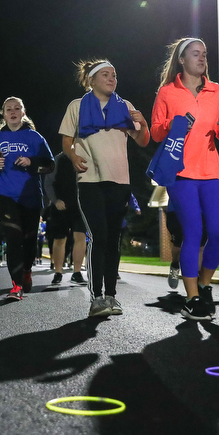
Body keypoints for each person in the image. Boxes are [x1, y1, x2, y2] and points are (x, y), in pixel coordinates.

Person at [150, 38, 219, 320]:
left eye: (205, 54)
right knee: (193, 234)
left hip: (212, 173)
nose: (202, 58)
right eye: (196, 54)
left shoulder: (217, 91)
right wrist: (173, 124)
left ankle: (205, 284)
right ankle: (192, 299)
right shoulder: (167, 92)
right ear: (182, 60)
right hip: (181, 173)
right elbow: (156, 133)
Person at [59, 59, 150, 317]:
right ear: (92, 80)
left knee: (114, 240)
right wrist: (73, 156)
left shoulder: (125, 107)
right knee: (98, 236)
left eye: (115, 75)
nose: (112, 79)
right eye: (106, 75)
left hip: (120, 181)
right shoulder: (77, 106)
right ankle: (96, 298)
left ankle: (111, 296)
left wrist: (142, 122)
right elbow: (67, 141)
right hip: (90, 181)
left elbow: (143, 140)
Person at [0, 96, 54, 300]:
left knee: (29, 240)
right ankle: (16, 286)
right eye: (8, 109)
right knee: (13, 237)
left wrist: (31, 161)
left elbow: (49, 165)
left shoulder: (35, 137)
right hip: (3, 194)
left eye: (17, 108)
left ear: (23, 112)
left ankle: (27, 271)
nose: (12, 112)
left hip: (30, 195)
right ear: (3, 114)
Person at [43, 151, 87, 285]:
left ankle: (77, 272)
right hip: (61, 205)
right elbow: (48, 183)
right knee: (59, 239)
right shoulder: (58, 160)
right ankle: (58, 272)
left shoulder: (86, 156)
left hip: (80, 206)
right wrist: (55, 201)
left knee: (80, 237)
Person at [115, 192, 141, 281]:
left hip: (119, 224)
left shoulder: (123, 187)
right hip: (107, 222)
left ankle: (114, 270)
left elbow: (130, 196)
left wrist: (136, 208)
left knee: (116, 248)